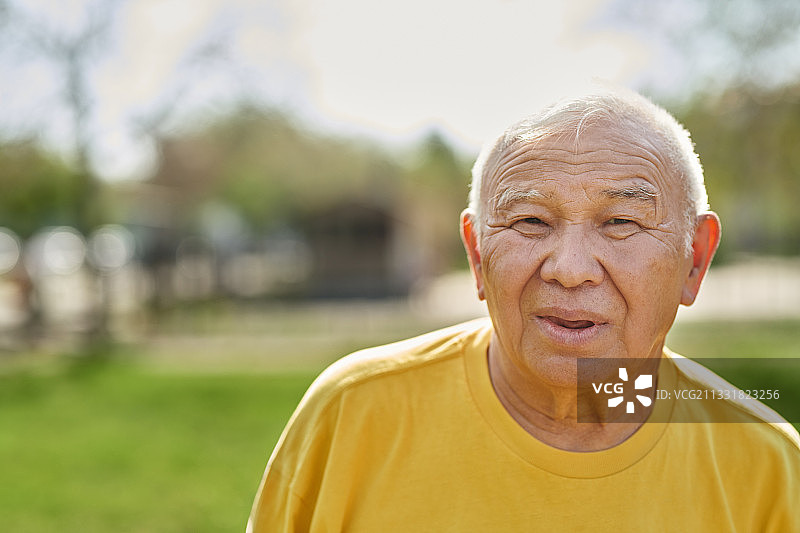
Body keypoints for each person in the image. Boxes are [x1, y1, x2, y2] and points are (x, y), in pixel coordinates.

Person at [247, 87, 800, 532]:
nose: (570, 269)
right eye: (531, 221)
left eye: (621, 222)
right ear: (476, 254)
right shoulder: (354, 412)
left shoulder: (768, 465)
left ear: (694, 260)